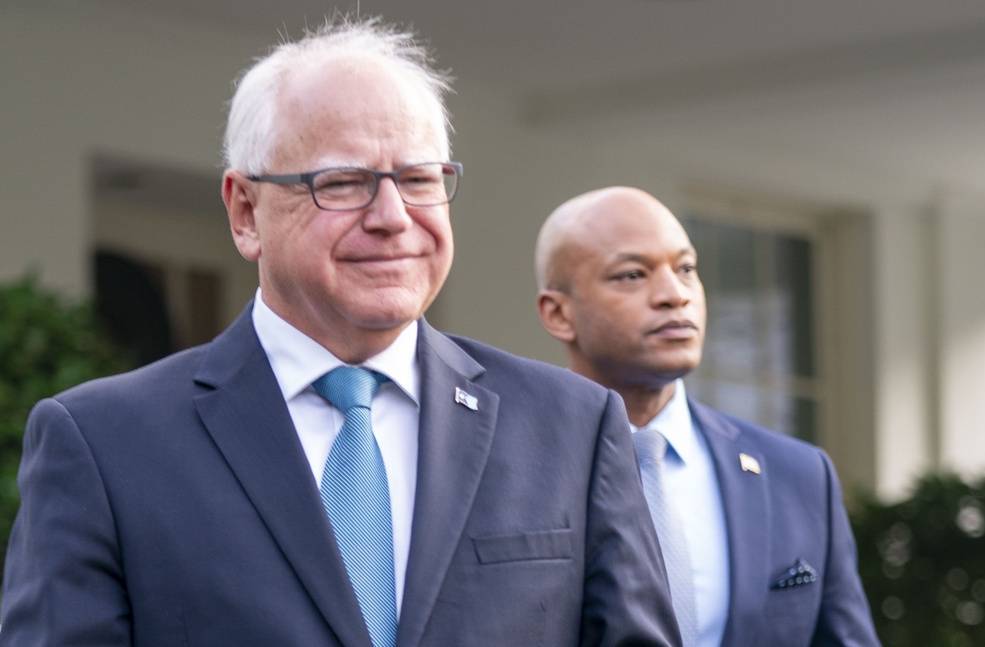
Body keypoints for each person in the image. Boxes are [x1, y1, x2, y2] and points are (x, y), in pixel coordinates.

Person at [0, 21, 679, 647]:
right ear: (245, 213)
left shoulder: (570, 426)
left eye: (418, 179)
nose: (392, 216)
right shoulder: (104, 443)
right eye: (345, 182)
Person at [535, 186, 881, 647]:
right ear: (559, 314)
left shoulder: (798, 476)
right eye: (633, 274)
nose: (674, 295)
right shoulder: (510, 469)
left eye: (686, 269)